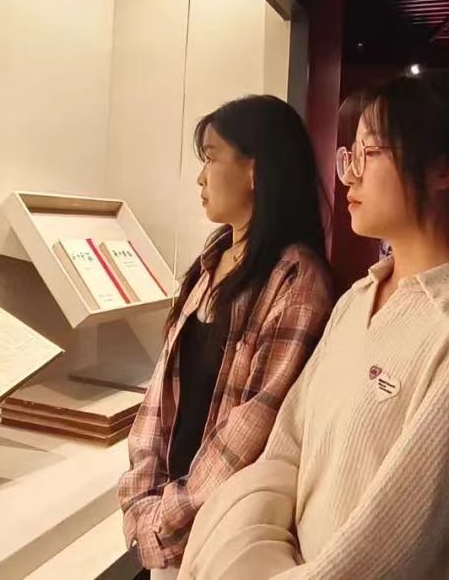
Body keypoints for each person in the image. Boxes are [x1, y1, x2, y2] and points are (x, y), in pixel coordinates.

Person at [180, 70, 449, 579]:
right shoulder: (357, 301)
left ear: (443, 169)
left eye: (369, 153)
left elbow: (386, 551)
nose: (349, 175)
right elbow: (284, 453)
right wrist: (243, 554)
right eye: (348, 154)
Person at [119, 95, 334, 579]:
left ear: (256, 169)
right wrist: (140, 495)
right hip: (168, 515)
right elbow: (161, 392)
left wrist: (163, 518)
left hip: (218, 533)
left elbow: (254, 426)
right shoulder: (213, 259)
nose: (201, 177)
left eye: (212, 158)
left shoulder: (296, 281)